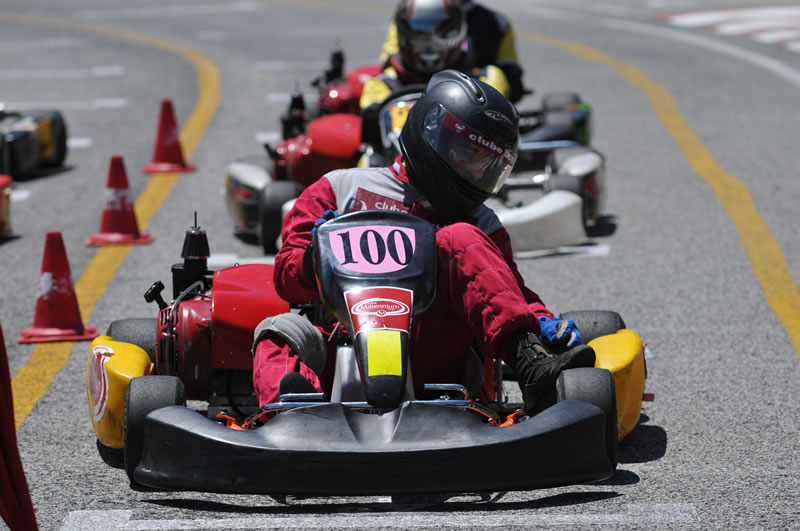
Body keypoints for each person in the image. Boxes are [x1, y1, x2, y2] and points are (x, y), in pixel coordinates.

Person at [253, 70, 594, 415]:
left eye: (487, 164)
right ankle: (292, 416)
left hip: (430, 349)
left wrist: (542, 323)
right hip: (340, 340)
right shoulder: (340, 189)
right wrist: (314, 258)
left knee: (458, 236)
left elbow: (510, 294)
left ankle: (530, 367)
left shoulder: (479, 222)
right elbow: (286, 281)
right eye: (467, 154)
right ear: (431, 135)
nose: (477, 172)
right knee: (278, 330)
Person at [359, 0, 511, 113]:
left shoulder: (487, 76)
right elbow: (387, 64)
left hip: (464, 110)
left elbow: (511, 77)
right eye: (419, 34)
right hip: (404, 91)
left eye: (442, 32)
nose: (429, 46)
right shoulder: (382, 84)